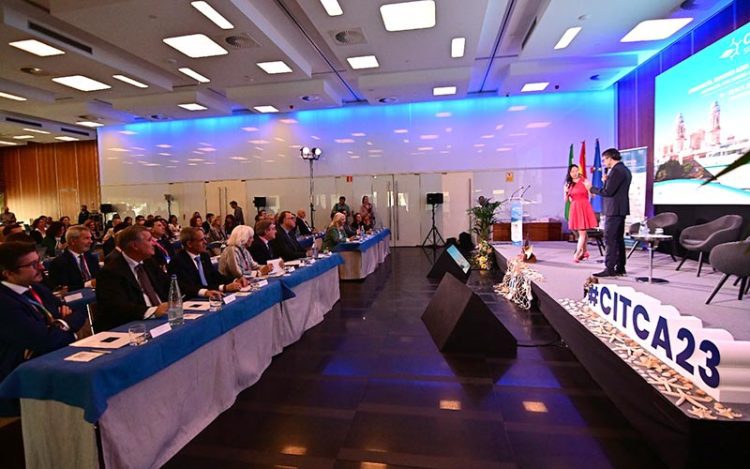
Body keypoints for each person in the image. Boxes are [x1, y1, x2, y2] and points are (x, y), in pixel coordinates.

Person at [0, 242, 83, 392]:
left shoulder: (37, 288)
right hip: (20, 380)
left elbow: (78, 312)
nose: (42, 268)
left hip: (54, 362)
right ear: (8, 273)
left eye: (39, 261)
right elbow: (42, 340)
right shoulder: (4, 302)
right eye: (33, 265)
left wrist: (58, 325)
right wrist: (66, 325)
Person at [95, 225, 171, 331]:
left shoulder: (149, 262)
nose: (154, 243)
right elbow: (117, 307)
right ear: (135, 245)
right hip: (132, 326)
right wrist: (153, 311)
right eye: (149, 240)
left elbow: (170, 284)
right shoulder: (111, 272)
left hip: (161, 318)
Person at [585, 148, 632, 277]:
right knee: (618, 239)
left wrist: (591, 189)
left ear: (610, 158)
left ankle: (610, 268)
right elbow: (614, 189)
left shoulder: (616, 171)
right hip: (620, 209)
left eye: (605, 159)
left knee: (610, 239)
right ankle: (620, 267)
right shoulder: (624, 170)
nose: (604, 162)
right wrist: (606, 181)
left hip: (614, 210)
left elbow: (608, 192)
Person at [168, 227, 245, 299]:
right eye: (201, 240)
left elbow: (216, 276)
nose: (205, 242)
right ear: (189, 244)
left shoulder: (204, 256)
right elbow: (188, 287)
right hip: (192, 299)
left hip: (212, 294)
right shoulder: (177, 262)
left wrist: (235, 280)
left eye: (205, 239)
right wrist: (223, 287)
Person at [47, 225, 100, 291]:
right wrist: (88, 284)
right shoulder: (59, 263)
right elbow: (63, 289)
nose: (91, 241)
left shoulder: (92, 258)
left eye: (90, 238)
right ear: (73, 241)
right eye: (86, 238)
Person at [564, 164, 598, 263]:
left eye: (576, 170)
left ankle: (577, 254)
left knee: (582, 232)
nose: (575, 173)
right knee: (581, 232)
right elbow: (566, 200)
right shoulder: (568, 184)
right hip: (574, 208)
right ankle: (585, 251)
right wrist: (566, 192)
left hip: (584, 207)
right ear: (569, 173)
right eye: (572, 171)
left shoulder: (585, 181)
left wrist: (589, 188)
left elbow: (593, 196)